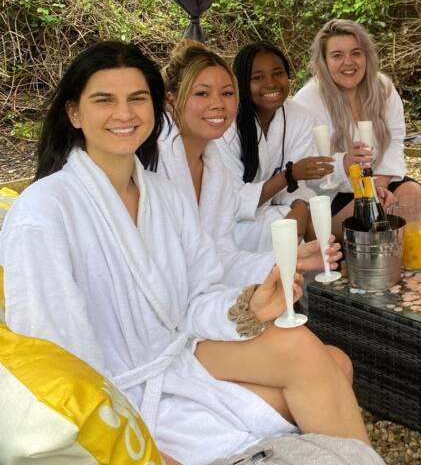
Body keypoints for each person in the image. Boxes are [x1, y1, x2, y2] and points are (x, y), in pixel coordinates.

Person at [0, 41, 370, 465]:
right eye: (105, 100)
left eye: (137, 99)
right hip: (109, 399)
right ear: (74, 113)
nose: (124, 114)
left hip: (177, 361)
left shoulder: (163, 196)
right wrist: (129, 445)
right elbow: (49, 367)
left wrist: (248, 306)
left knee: (298, 342)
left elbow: (199, 292)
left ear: (156, 107)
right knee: (325, 373)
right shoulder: (45, 212)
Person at [158, 40, 341, 285]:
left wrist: (291, 259)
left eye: (226, 93)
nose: (217, 104)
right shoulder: (155, 167)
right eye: (202, 93)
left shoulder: (211, 165)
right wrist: (289, 176)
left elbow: (220, 257)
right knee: (287, 224)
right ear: (171, 100)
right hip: (177, 292)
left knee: (299, 214)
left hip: (205, 292)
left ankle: (318, 285)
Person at [293, 19, 421, 238]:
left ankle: (396, 252)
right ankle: (359, 253)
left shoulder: (383, 88)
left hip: (377, 180)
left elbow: (395, 141)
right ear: (323, 61)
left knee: (412, 193)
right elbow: (305, 170)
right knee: (366, 212)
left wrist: (377, 187)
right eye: (337, 55)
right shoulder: (306, 101)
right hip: (332, 193)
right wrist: (344, 163)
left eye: (356, 53)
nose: (348, 62)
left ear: (366, 56)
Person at [216, 41, 334, 251]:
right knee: (293, 223)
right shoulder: (226, 126)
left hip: (279, 208)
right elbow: (232, 202)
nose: (271, 83)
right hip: (234, 223)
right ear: (241, 82)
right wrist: (289, 175)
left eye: (278, 73)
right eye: (258, 77)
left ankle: (325, 266)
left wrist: (299, 204)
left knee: (311, 213)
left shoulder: (300, 117)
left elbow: (297, 188)